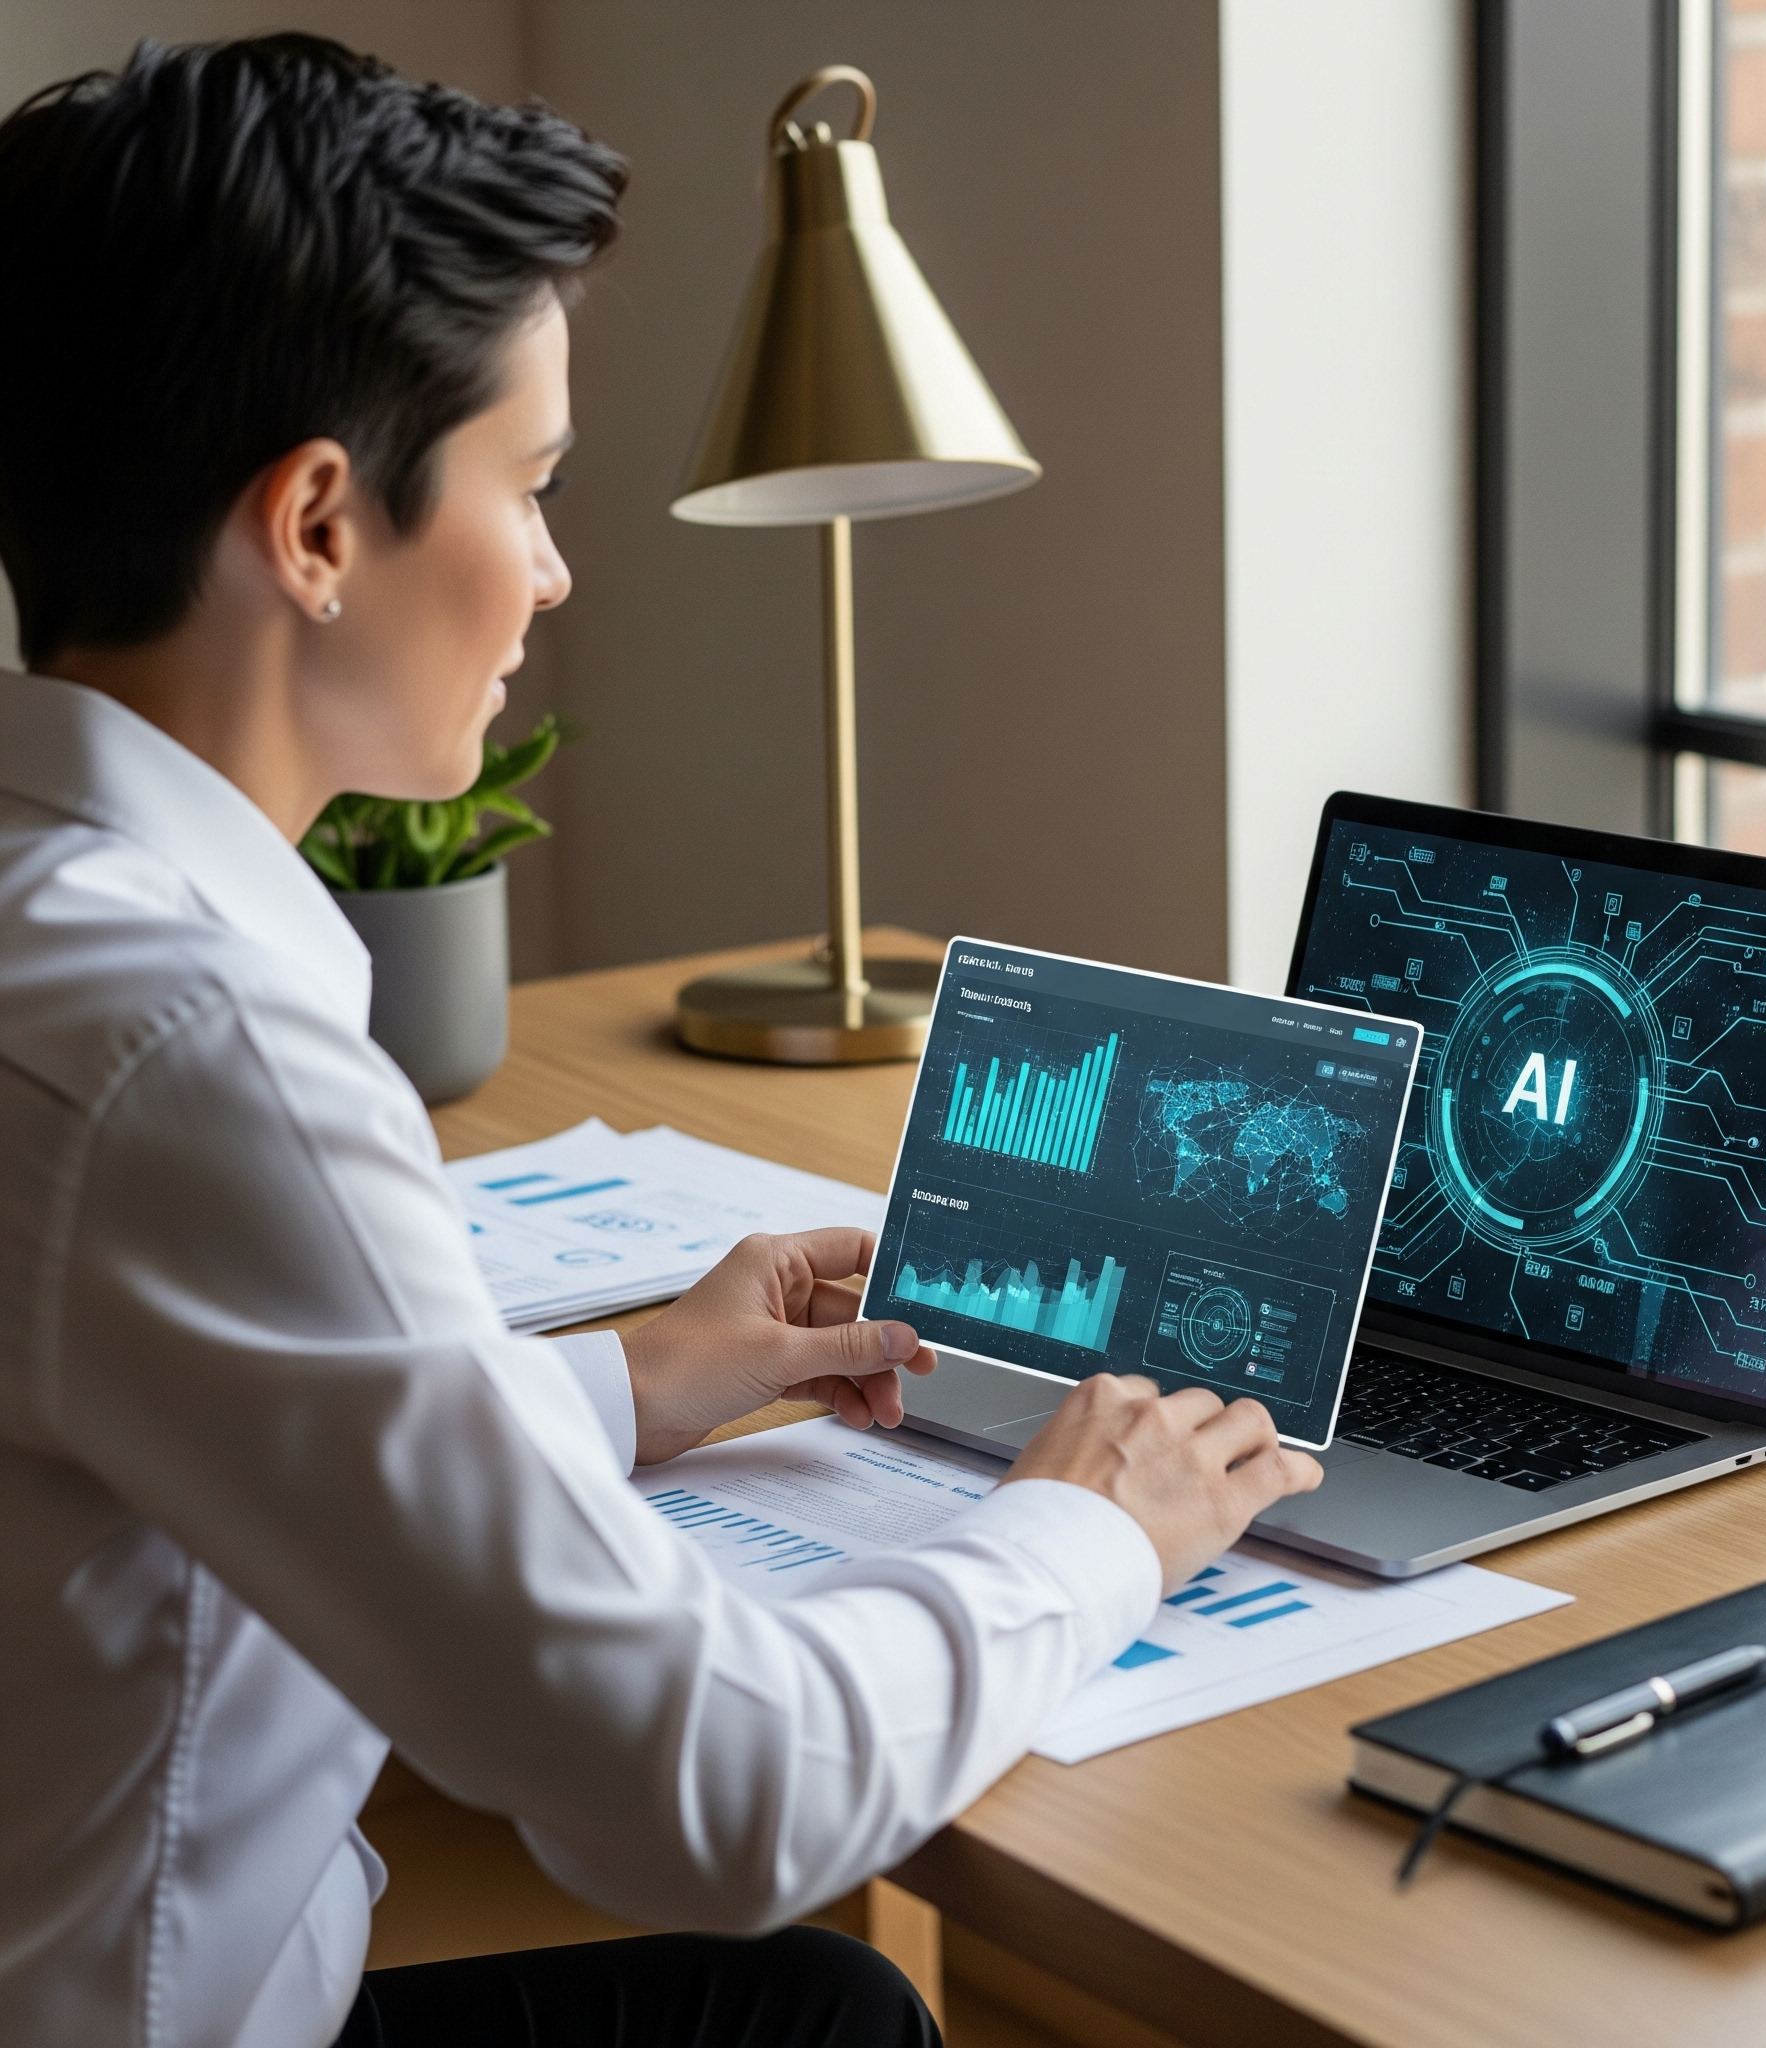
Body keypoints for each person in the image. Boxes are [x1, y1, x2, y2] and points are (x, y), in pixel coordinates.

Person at [0, 35, 1322, 2048]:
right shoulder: (193, 1055)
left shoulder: (59, 933)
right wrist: (1095, 1527)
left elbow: (231, 1425)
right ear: (320, 527)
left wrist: (630, 1382)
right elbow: (719, 1790)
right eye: (530, 487)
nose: (553, 572)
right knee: (820, 2013)